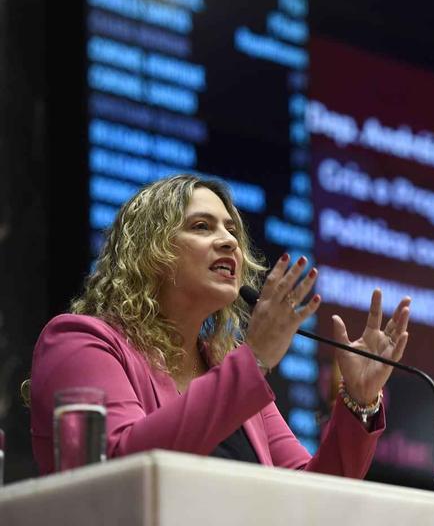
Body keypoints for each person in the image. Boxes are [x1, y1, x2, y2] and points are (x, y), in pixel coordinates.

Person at [29, 175, 411, 476]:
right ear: (150, 253)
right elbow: (119, 467)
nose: (229, 241)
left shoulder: (227, 370)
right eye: (201, 226)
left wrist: (359, 401)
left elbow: (309, 494)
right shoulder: (79, 342)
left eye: (231, 230)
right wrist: (255, 358)